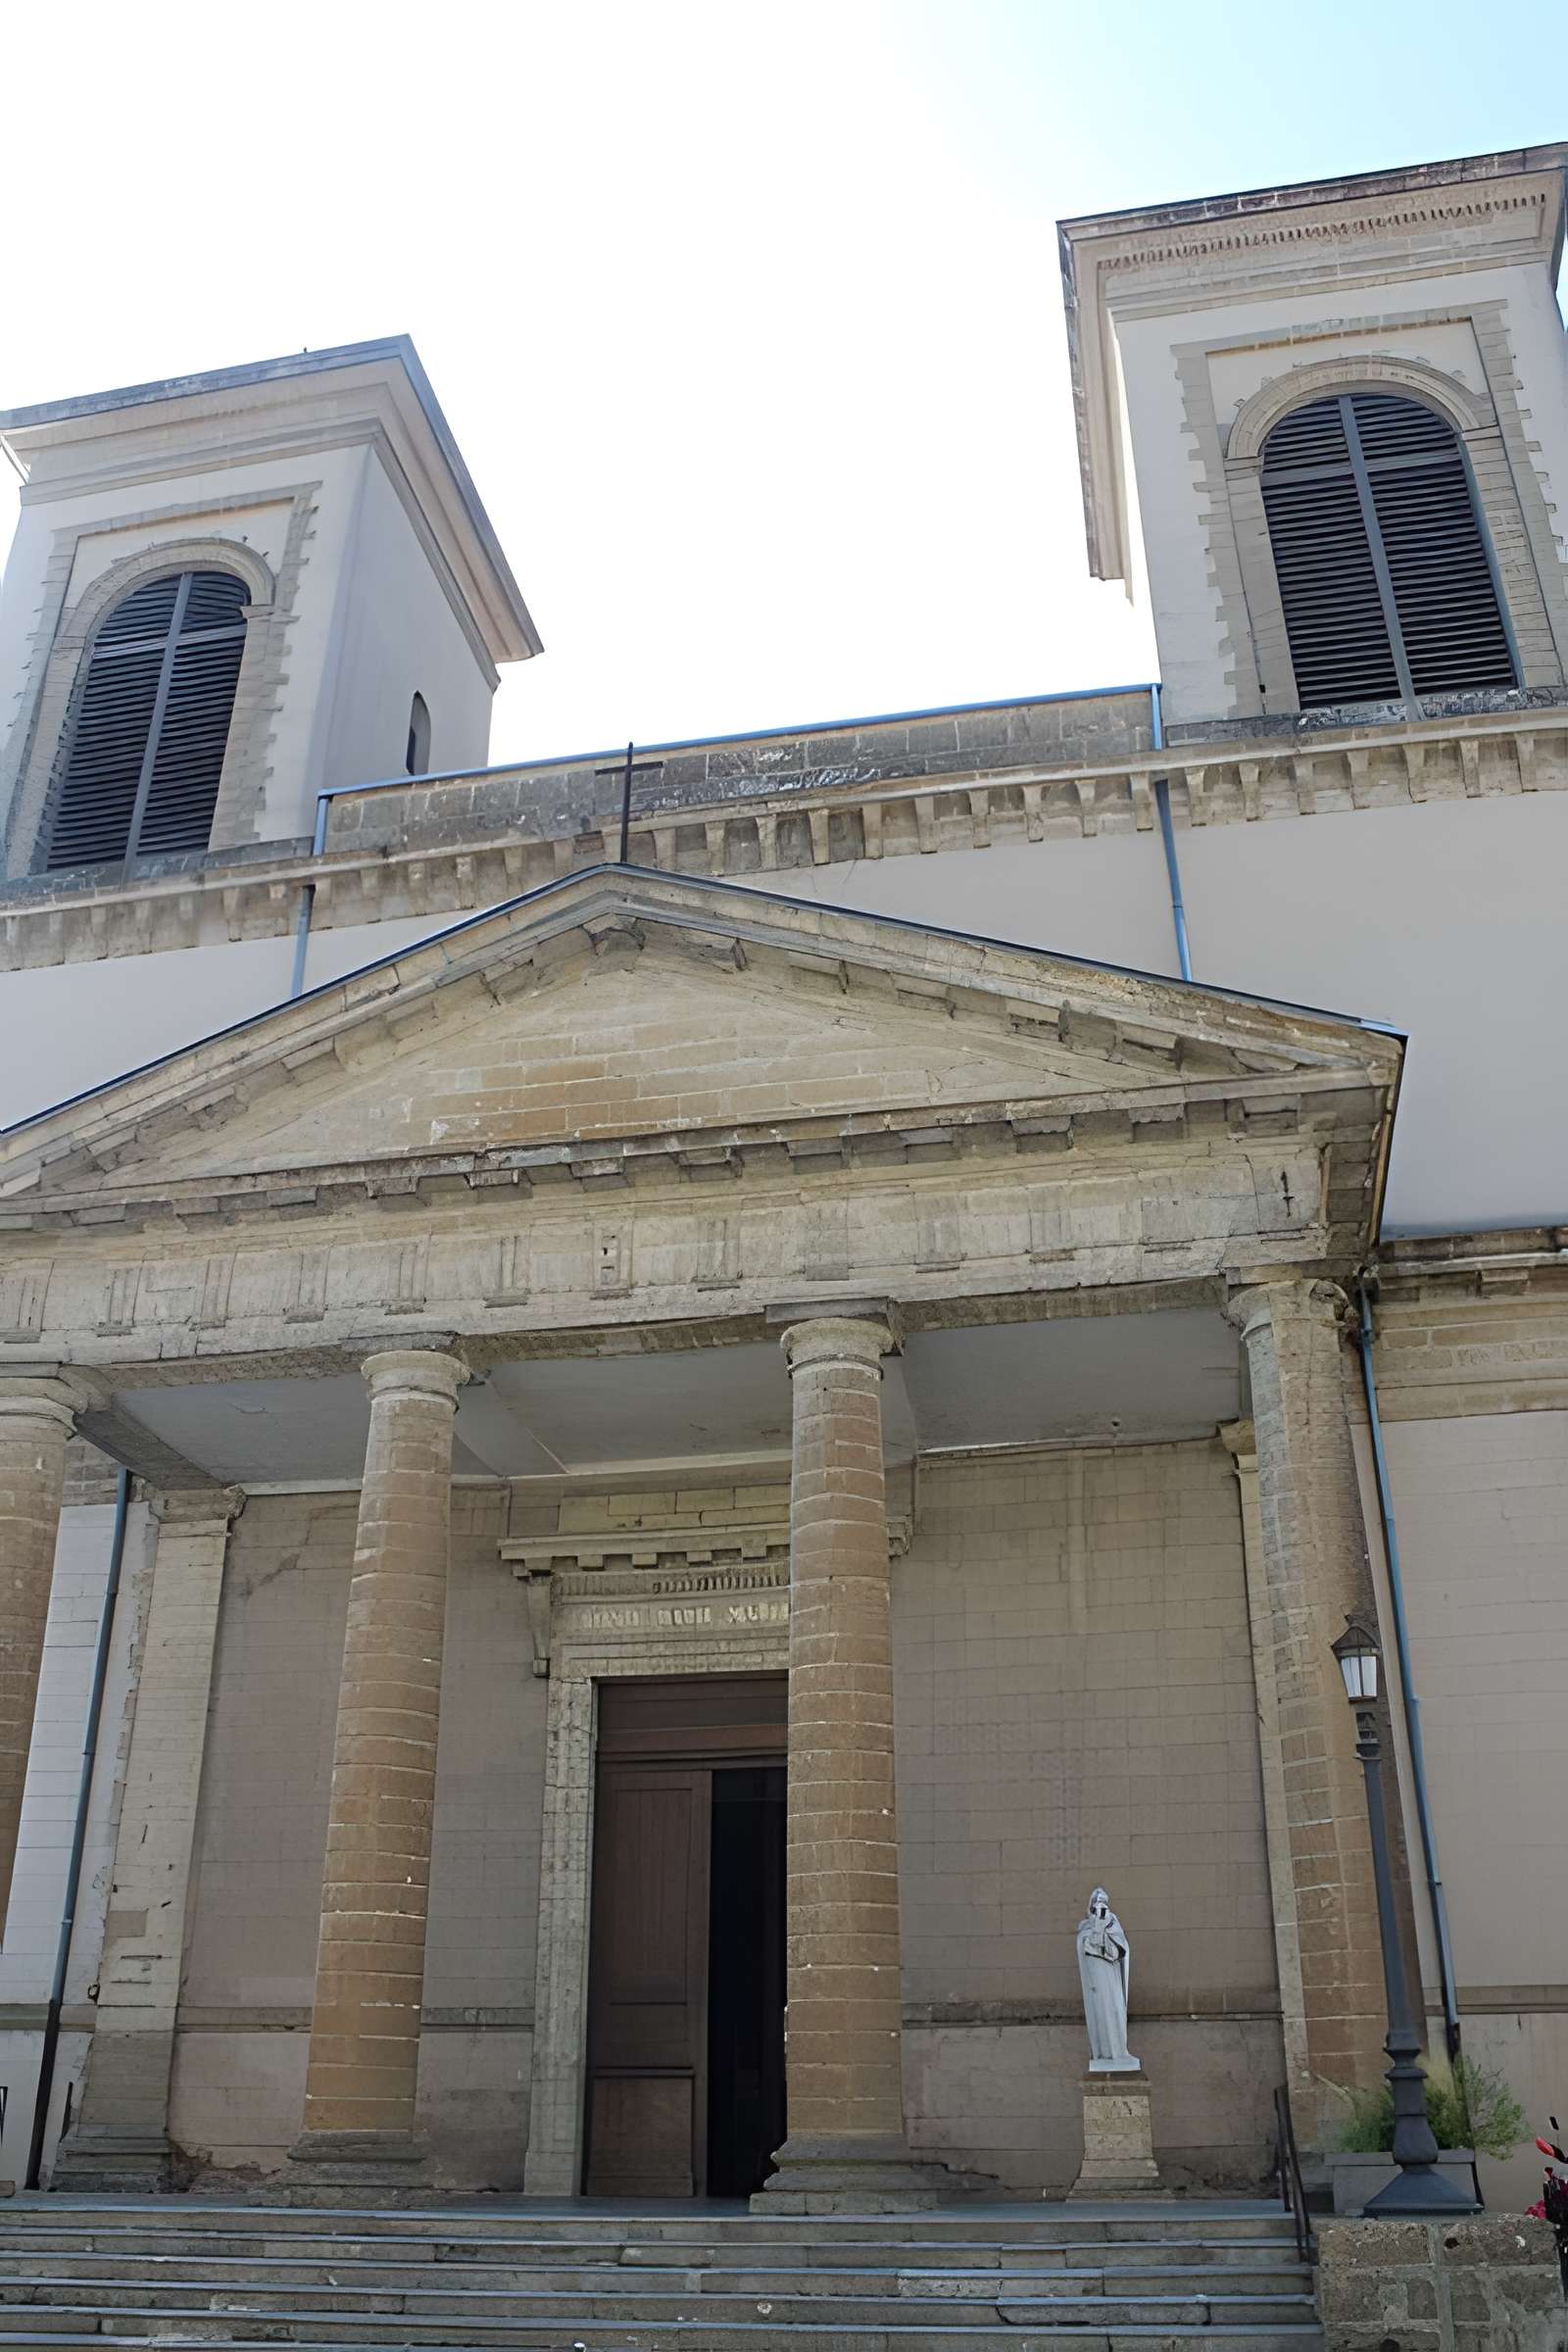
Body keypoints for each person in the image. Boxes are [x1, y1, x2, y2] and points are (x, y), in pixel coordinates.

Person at [1076, 1886, 1137, 2070]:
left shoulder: (1114, 1925)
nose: (1100, 1907)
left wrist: (1105, 1932)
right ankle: (1104, 2054)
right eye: (1096, 1904)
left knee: (1117, 2012)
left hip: (1112, 1978)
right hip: (1097, 1980)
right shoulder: (1085, 1929)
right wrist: (1098, 1928)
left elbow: (1120, 1951)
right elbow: (1087, 1947)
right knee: (1102, 2014)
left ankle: (1120, 2052)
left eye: (1103, 1903)